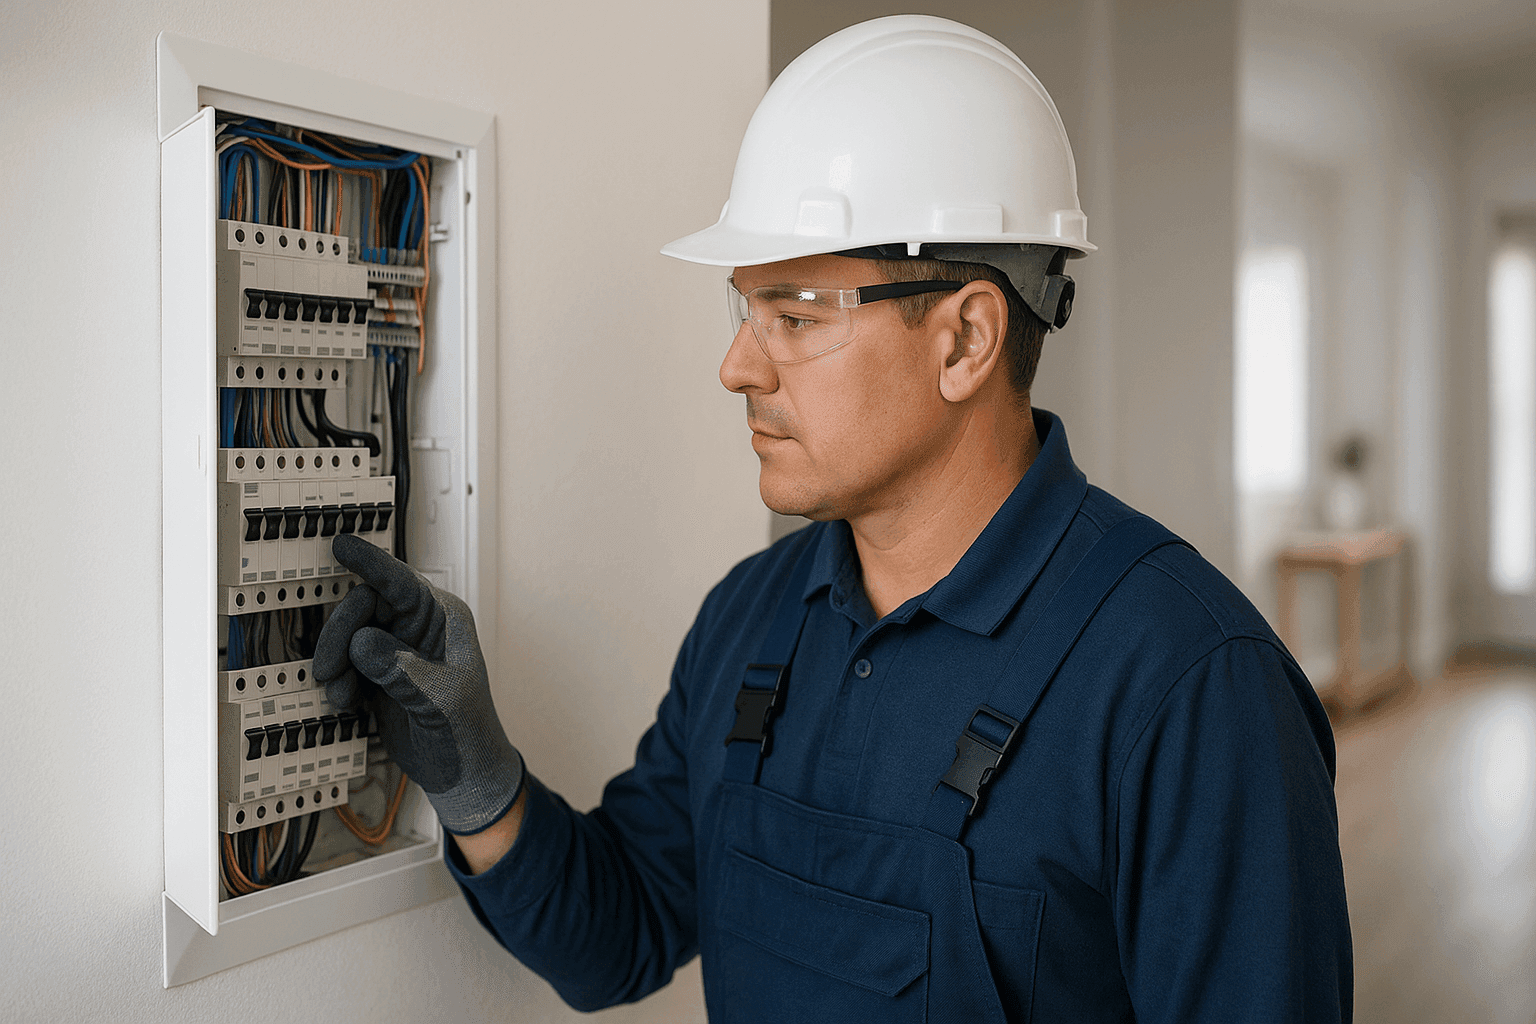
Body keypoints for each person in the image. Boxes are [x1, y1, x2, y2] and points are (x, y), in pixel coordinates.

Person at [314, 15, 1352, 1023]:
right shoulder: (753, 619)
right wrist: (480, 777)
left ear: (966, 341)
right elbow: (619, 935)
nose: (736, 366)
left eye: (798, 317)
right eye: (744, 310)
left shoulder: (1190, 685)